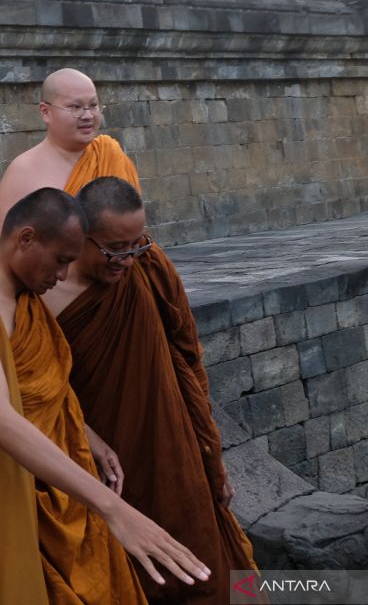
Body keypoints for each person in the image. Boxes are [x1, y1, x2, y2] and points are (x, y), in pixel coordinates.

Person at [0, 187, 211, 604]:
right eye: (62, 260)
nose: (64, 276)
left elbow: (43, 388)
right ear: (25, 239)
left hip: (59, 480)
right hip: (1, 491)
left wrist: (88, 435)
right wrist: (113, 508)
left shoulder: (26, 294)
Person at [41, 177, 258, 604]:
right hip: (96, 465)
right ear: (80, 237)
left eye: (135, 245)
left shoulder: (149, 265)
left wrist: (211, 453)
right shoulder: (46, 294)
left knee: (208, 570)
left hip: (173, 453)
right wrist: (85, 434)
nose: (127, 260)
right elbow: (39, 391)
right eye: (115, 249)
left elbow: (186, 353)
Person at [0, 68, 140, 242]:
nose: (88, 115)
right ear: (45, 112)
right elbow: (6, 251)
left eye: (93, 105)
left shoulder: (110, 155)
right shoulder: (23, 171)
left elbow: (133, 232)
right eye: (75, 107)